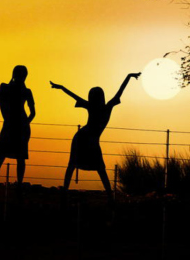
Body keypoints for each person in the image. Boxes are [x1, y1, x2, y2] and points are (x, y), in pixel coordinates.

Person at [52, 72, 139, 200]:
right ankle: (107, 195)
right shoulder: (106, 107)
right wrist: (129, 76)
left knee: (89, 165)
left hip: (84, 138)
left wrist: (62, 87)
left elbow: (74, 96)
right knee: (90, 166)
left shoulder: (99, 106)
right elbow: (120, 91)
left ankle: (108, 195)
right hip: (84, 139)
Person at [0, 65, 35, 186]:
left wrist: (21, 122)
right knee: (13, 158)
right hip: (17, 125)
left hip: (13, 124)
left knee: (6, 157)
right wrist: (25, 122)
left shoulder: (9, 88)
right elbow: (33, 113)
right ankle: (16, 184)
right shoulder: (22, 90)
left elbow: (32, 112)